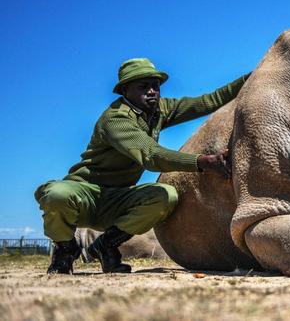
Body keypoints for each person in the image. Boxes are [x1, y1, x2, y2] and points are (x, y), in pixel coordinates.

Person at [34, 58, 249, 274]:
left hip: (118, 198)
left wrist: (253, 77)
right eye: (143, 86)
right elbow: (152, 156)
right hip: (86, 195)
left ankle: (106, 245)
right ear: (125, 91)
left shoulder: (159, 111)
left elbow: (209, 101)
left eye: (155, 85)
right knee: (57, 194)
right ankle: (65, 250)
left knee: (165, 196)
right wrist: (202, 161)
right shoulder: (115, 119)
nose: (152, 91)